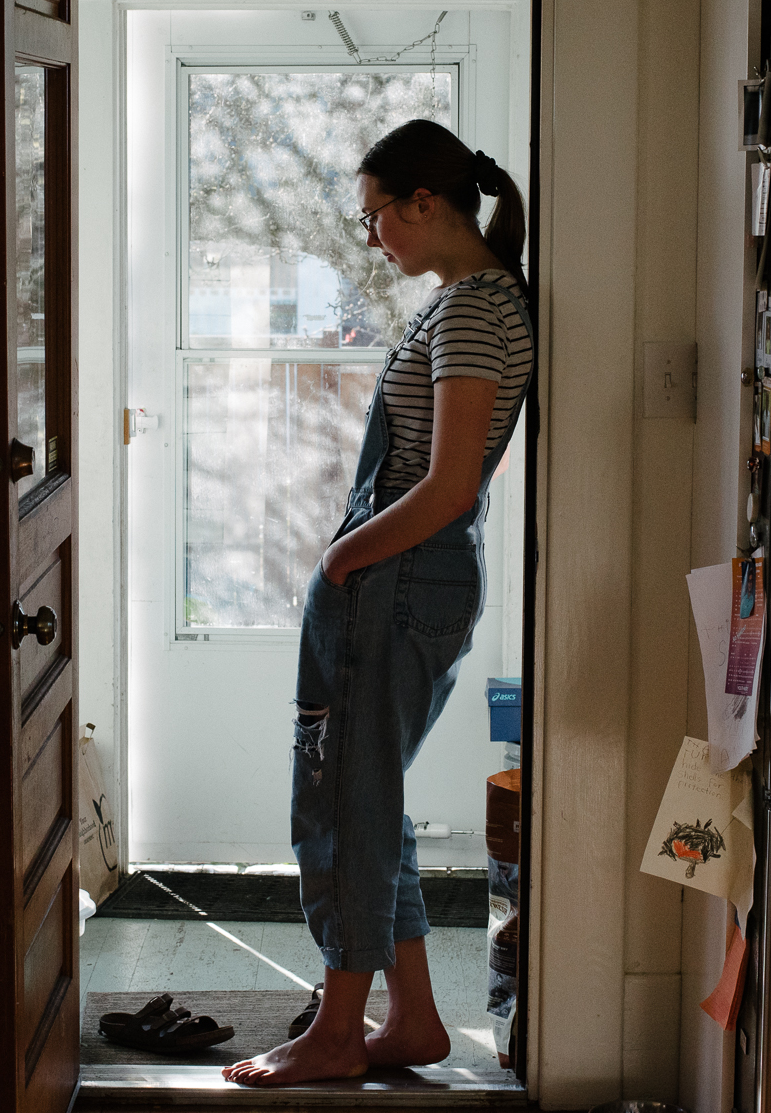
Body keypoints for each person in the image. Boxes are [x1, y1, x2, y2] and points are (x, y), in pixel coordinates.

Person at [223, 120, 536, 1087]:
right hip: (413, 578)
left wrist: (339, 562)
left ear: (426, 204)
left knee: (342, 800)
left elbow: (445, 486)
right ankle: (413, 1020)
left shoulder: (477, 308)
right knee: (370, 792)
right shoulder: (465, 302)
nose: (372, 238)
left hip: (402, 577)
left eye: (376, 217)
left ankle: (335, 1031)